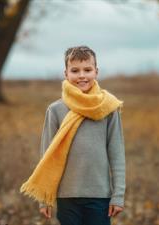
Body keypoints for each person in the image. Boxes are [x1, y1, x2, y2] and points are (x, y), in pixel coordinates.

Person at [20, 45, 126, 225]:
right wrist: (45, 199)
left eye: (87, 69)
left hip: (99, 195)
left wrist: (118, 195)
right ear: (66, 73)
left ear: (96, 72)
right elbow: (47, 156)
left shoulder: (108, 108)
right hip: (66, 195)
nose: (82, 75)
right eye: (75, 70)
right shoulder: (55, 110)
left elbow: (116, 154)